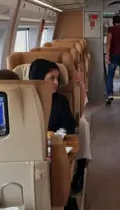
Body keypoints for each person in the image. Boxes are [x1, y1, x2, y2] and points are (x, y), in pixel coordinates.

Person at [28, 59, 86, 209]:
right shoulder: (27, 101)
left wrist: (54, 137)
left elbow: (68, 126)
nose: (55, 83)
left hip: (54, 145)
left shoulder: (60, 101)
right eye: (51, 78)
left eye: (57, 79)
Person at [105, 15, 120, 103]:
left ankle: (110, 94)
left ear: (113, 21)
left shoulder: (111, 29)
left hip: (114, 55)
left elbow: (108, 42)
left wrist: (107, 54)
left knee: (110, 74)